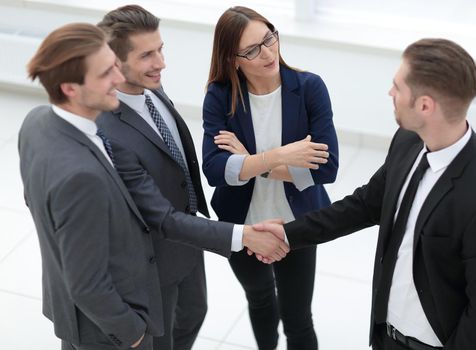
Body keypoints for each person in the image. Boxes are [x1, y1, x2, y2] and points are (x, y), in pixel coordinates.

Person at [20, 21, 286, 350]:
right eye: (107, 73)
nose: (117, 80)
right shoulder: (83, 173)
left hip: (178, 255)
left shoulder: (36, 121)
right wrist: (132, 332)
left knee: (190, 317)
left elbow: (41, 203)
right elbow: (87, 281)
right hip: (125, 307)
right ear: (70, 89)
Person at [255, 38, 476, 350]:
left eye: (398, 87)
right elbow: (365, 204)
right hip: (388, 337)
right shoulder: (409, 140)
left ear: (425, 105)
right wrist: (288, 234)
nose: (390, 93)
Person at [95, 5, 289, 350]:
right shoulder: (110, 130)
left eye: (161, 49)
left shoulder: (151, 88)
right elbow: (161, 218)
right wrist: (243, 236)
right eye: (147, 55)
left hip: (186, 245)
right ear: (114, 61)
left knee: (194, 313)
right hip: (153, 259)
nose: (161, 63)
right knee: (164, 338)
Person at [202, 6, 339, 350]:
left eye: (269, 39)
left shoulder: (309, 88)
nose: (268, 53)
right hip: (242, 224)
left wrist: (250, 162)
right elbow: (215, 169)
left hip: (297, 222)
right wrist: (282, 157)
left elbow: (326, 168)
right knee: (260, 299)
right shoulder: (220, 96)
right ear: (233, 60)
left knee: (297, 317)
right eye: (252, 50)